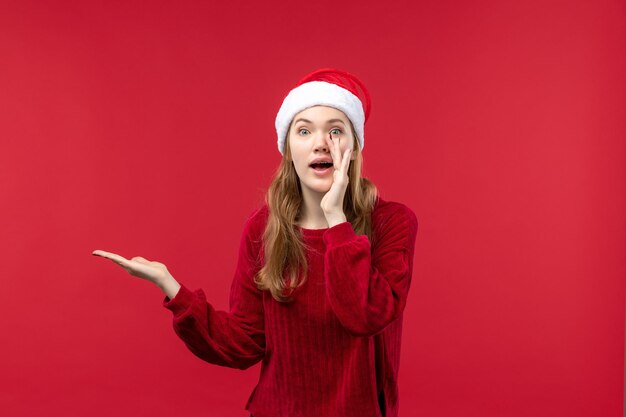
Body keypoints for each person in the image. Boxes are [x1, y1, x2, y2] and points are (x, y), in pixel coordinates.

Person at [92, 68, 418, 417]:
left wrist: (336, 219)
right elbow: (243, 343)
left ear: (353, 148)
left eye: (335, 130)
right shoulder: (264, 229)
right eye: (304, 130)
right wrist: (169, 285)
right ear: (288, 148)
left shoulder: (392, 223)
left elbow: (365, 316)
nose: (321, 142)